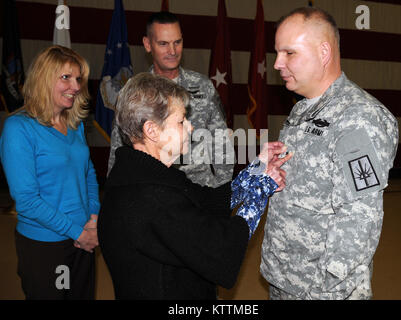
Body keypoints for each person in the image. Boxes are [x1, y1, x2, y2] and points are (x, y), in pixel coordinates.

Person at [98, 72, 291, 300]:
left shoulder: (142, 174)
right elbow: (219, 246)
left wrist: (257, 169)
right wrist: (261, 191)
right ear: (151, 130)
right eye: (181, 121)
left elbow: (207, 201)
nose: (190, 128)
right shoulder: (151, 196)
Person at [260, 7, 399, 300]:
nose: (277, 64)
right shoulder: (304, 107)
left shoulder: (358, 118)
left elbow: (360, 216)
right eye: (277, 52)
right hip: (287, 277)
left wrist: (328, 285)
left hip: (321, 289)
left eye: (289, 53)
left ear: (324, 52)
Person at [0, 46, 100, 300]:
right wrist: (78, 233)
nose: (76, 86)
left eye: (78, 79)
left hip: (83, 239)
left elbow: (88, 173)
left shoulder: (74, 123)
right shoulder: (19, 128)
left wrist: (94, 219)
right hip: (47, 246)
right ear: (43, 79)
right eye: (65, 77)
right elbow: (27, 200)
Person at [108, 11, 234, 188]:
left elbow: (220, 141)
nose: (172, 51)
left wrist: (223, 191)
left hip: (200, 190)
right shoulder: (134, 92)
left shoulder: (202, 86)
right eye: (163, 44)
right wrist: (117, 192)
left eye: (177, 42)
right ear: (147, 44)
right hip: (154, 191)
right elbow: (118, 148)